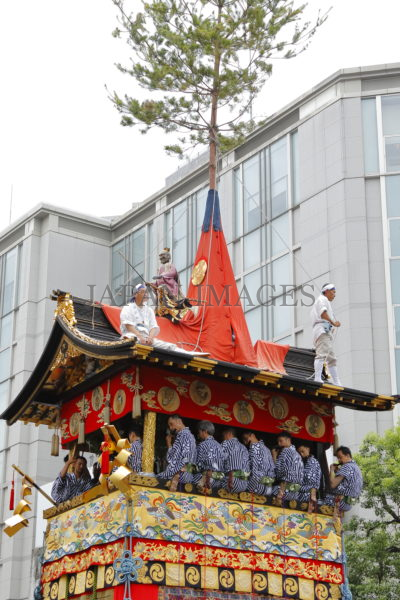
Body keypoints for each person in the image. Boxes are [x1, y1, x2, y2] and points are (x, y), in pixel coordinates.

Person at [120, 284, 207, 355]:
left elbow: (153, 326)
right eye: (143, 292)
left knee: (168, 346)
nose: (146, 294)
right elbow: (128, 325)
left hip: (147, 338)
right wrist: (140, 337)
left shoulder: (149, 310)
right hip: (133, 336)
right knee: (131, 340)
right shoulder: (128, 308)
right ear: (135, 295)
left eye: (146, 293)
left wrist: (150, 338)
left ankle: (187, 353)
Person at [311, 283, 341, 385]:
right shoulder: (322, 299)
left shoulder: (325, 301)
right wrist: (333, 323)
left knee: (331, 357)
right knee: (322, 354)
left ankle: (337, 381)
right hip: (322, 330)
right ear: (326, 291)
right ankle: (318, 378)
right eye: (333, 292)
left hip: (325, 331)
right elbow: (323, 314)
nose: (334, 294)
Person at [157, 415, 196, 490]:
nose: (171, 428)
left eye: (171, 424)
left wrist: (169, 444)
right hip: (181, 474)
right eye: (169, 426)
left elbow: (173, 459)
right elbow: (172, 459)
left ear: (179, 421)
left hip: (180, 475)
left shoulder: (185, 436)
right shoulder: (185, 436)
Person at [323, 446, 363, 512]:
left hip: (336, 502)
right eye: (338, 458)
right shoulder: (356, 468)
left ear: (347, 455)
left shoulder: (346, 467)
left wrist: (332, 470)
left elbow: (332, 484)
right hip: (348, 504)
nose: (338, 460)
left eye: (340, 457)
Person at [193, 421, 225, 491]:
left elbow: (197, 466)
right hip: (217, 483)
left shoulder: (202, 445)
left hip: (203, 481)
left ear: (204, 431)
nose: (198, 435)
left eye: (199, 432)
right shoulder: (220, 446)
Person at [272, 432, 304, 503]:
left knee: (266, 490)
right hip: (295, 493)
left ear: (288, 440)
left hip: (285, 490)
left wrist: (281, 492)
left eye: (281, 441)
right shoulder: (297, 454)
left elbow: (287, 473)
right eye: (278, 442)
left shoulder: (286, 451)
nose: (279, 444)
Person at [242, 431, 275, 496]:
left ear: (252, 435)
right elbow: (273, 469)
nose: (245, 442)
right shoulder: (267, 449)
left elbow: (254, 471)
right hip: (268, 489)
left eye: (246, 439)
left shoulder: (253, 447)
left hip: (256, 488)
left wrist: (249, 487)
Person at [221, 428, 250, 493]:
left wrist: (231, 480)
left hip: (231, 482)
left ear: (229, 434)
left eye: (223, 436)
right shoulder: (244, 447)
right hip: (244, 486)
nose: (223, 438)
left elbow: (232, 464)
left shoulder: (226, 443)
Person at [297, 443, 322, 510]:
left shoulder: (312, 462)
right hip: (305, 494)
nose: (301, 454)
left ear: (308, 449)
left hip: (306, 495)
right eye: (299, 453)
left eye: (302, 451)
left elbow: (311, 479)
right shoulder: (305, 461)